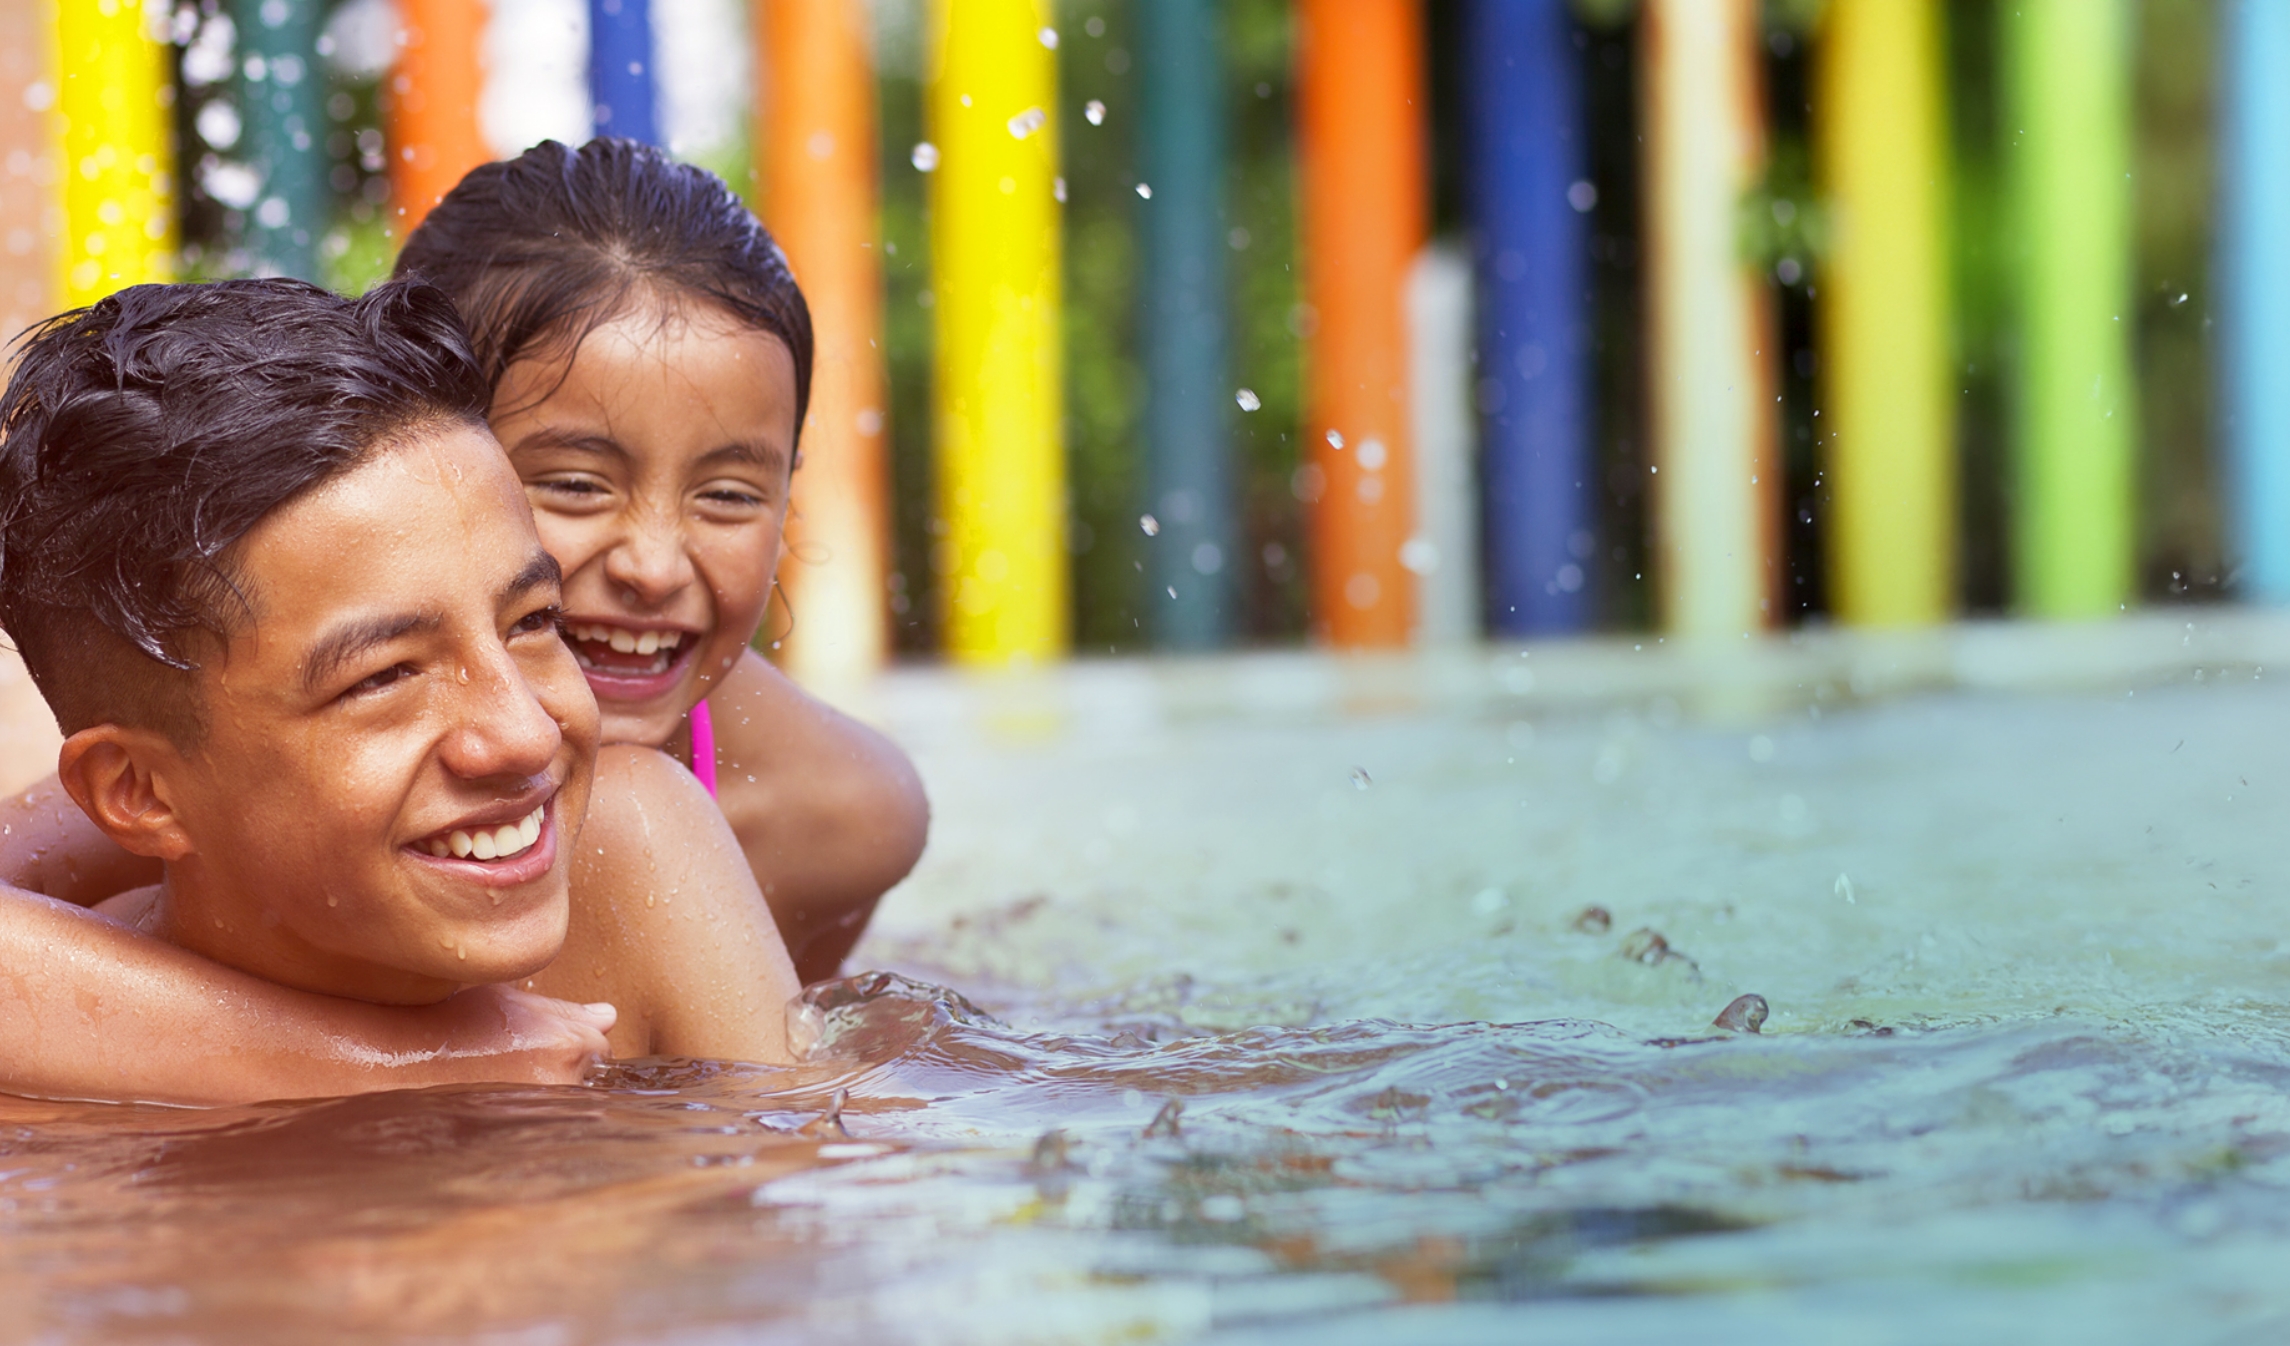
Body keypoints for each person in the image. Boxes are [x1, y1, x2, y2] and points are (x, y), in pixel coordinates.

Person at [0, 138, 928, 986]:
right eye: (575, 485)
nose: (653, 566)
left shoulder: (836, 816)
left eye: (727, 495)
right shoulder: (263, 760)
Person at [0, 278, 802, 1103]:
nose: (527, 735)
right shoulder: (52, 1111)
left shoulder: (633, 865)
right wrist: (412, 1066)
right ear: (139, 790)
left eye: (533, 621)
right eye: (385, 676)